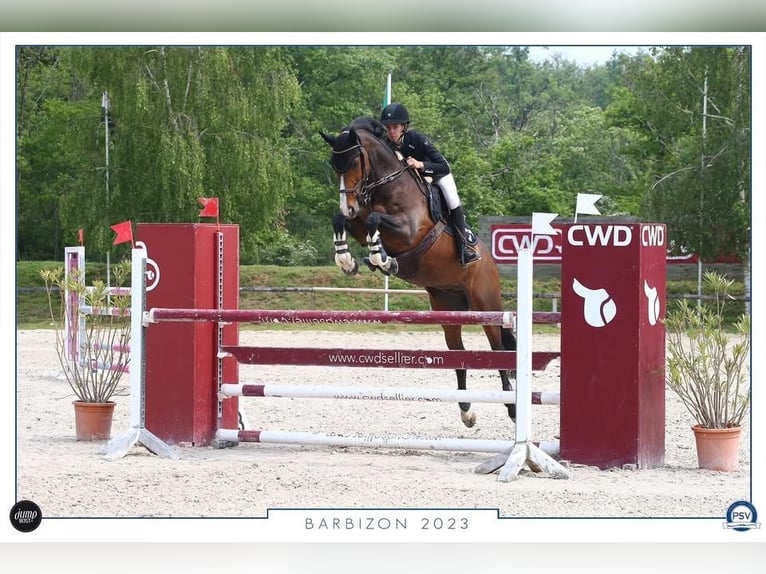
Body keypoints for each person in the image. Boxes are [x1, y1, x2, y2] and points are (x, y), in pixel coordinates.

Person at [379, 102, 481, 267]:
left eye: (395, 127)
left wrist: (421, 164)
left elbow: (444, 166)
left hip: (437, 174)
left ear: (404, 127)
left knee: (452, 199)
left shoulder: (416, 139)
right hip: (414, 182)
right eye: (388, 127)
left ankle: (464, 248)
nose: (391, 132)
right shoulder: (387, 144)